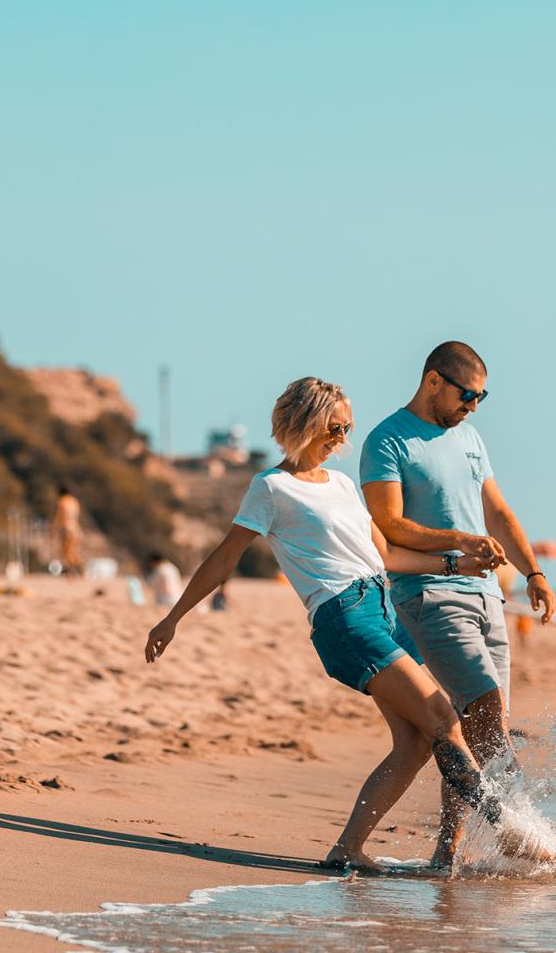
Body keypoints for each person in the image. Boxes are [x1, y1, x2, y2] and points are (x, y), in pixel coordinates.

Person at [145, 377, 550, 872]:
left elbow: (384, 555)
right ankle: (510, 829)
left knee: (418, 741)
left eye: (348, 427)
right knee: (443, 718)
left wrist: (455, 564)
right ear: (306, 421)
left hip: (382, 606)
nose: (344, 436)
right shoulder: (271, 487)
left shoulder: (339, 484)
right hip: (343, 617)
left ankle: (347, 849)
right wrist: (173, 617)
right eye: (337, 426)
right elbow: (224, 558)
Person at [360, 341, 556, 868]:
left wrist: (534, 572)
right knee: (487, 707)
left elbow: (496, 511)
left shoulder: (469, 438)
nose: (473, 407)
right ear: (433, 381)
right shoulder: (387, 440)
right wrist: (459, 542)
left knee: (479, 723)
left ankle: (446, 853)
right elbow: (389, 526)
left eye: (481, 397)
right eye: (467, 395)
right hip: (429, 594)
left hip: (487, 598)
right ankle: (522, 825)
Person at [53, 485, 83, 577]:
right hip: (76, 527)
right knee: (73, 552)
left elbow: (59, 516)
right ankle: (80, 569)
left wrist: (54, 527)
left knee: (66, 553)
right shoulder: (74, 501)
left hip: (67, 528)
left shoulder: (62, 501)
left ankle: (71, 573)